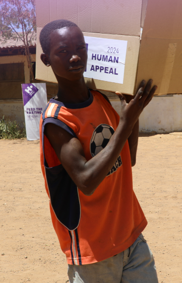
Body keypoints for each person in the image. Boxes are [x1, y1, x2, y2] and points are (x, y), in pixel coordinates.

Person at [39, 19, 159, 283]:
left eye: (80, 47)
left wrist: (133, 115)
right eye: (63, 51)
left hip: (130, 236)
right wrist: (126, 122)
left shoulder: (101, 100)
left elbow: (128, 157)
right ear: (46, 59)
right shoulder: (57, 120)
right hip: (93, 250)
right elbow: (86, 179)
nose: (74, 56)